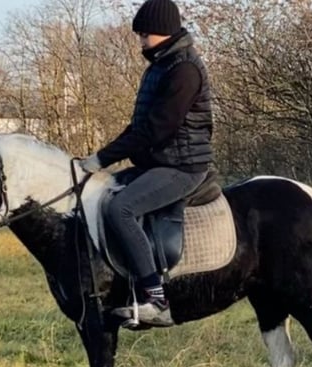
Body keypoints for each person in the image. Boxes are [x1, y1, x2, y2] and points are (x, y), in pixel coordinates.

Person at [78, 0, 213, 327]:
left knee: (120, 209)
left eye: (144, 35)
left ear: (163, 32)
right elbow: (140, 126)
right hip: (159, 163)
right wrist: (101, 157)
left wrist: (102, 158)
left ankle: (156, 298)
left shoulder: (184, 70)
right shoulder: (160, 66)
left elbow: (157, 128)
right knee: (103, 194)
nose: (140, 41)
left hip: (183, 167)